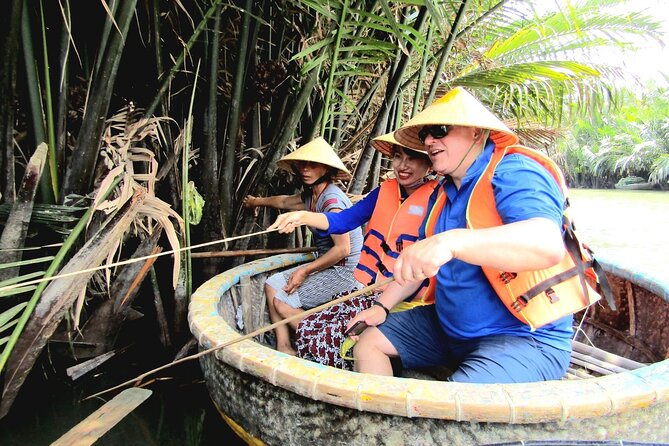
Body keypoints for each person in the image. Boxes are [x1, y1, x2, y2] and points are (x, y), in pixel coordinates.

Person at [346, 87, 605, 383]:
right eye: (425, 135)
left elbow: (546, 243)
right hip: (448, 329)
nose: (430, 141)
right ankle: (382, 424)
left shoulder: (514, 171)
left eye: (440, 130)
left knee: (454, 402)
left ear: (476, 134)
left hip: (521, 338)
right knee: (369, 344)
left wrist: (451, 241)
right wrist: (381, 306)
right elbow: (420, 266)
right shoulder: (442, 193)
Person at [268, 132, 438, 369]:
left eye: (412, 158)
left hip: (408, 301)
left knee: (334, 337)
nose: (403, 165)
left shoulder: (439, 199)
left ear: (429, 163)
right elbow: (343, 221)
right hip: (369, 290)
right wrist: (303, 216)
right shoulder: (384, 191)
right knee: (319, 320)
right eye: (398, 157)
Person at [243, 137, 363, 355]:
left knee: (281, 300)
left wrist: (304, 270)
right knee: (272, 284)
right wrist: (256, 202)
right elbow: (284, 202)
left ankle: (329, 343)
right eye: (302, 164)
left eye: (313, 165)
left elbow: (343, 250)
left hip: (345, 272)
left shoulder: (331, 201)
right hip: (328, 265)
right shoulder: (311, 196)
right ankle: (284, 346)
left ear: (326, 168)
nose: (306, 169)